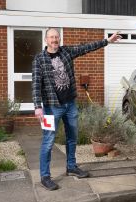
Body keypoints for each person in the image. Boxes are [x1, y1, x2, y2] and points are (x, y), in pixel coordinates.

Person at [32, 28, 121, 191]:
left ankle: (71, 167)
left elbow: (85, 47)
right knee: (48, 142)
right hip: (51, 107)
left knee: (72, 137)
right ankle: (45, 176)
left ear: (59, 39)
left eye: (56, 37)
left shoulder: (66, 51)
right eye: (51, 37)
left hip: (70, 104)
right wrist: (38, 107)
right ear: (46, 40)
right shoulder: (39, 59)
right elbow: (36, 84)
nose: (54, 40)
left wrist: (107, 41)